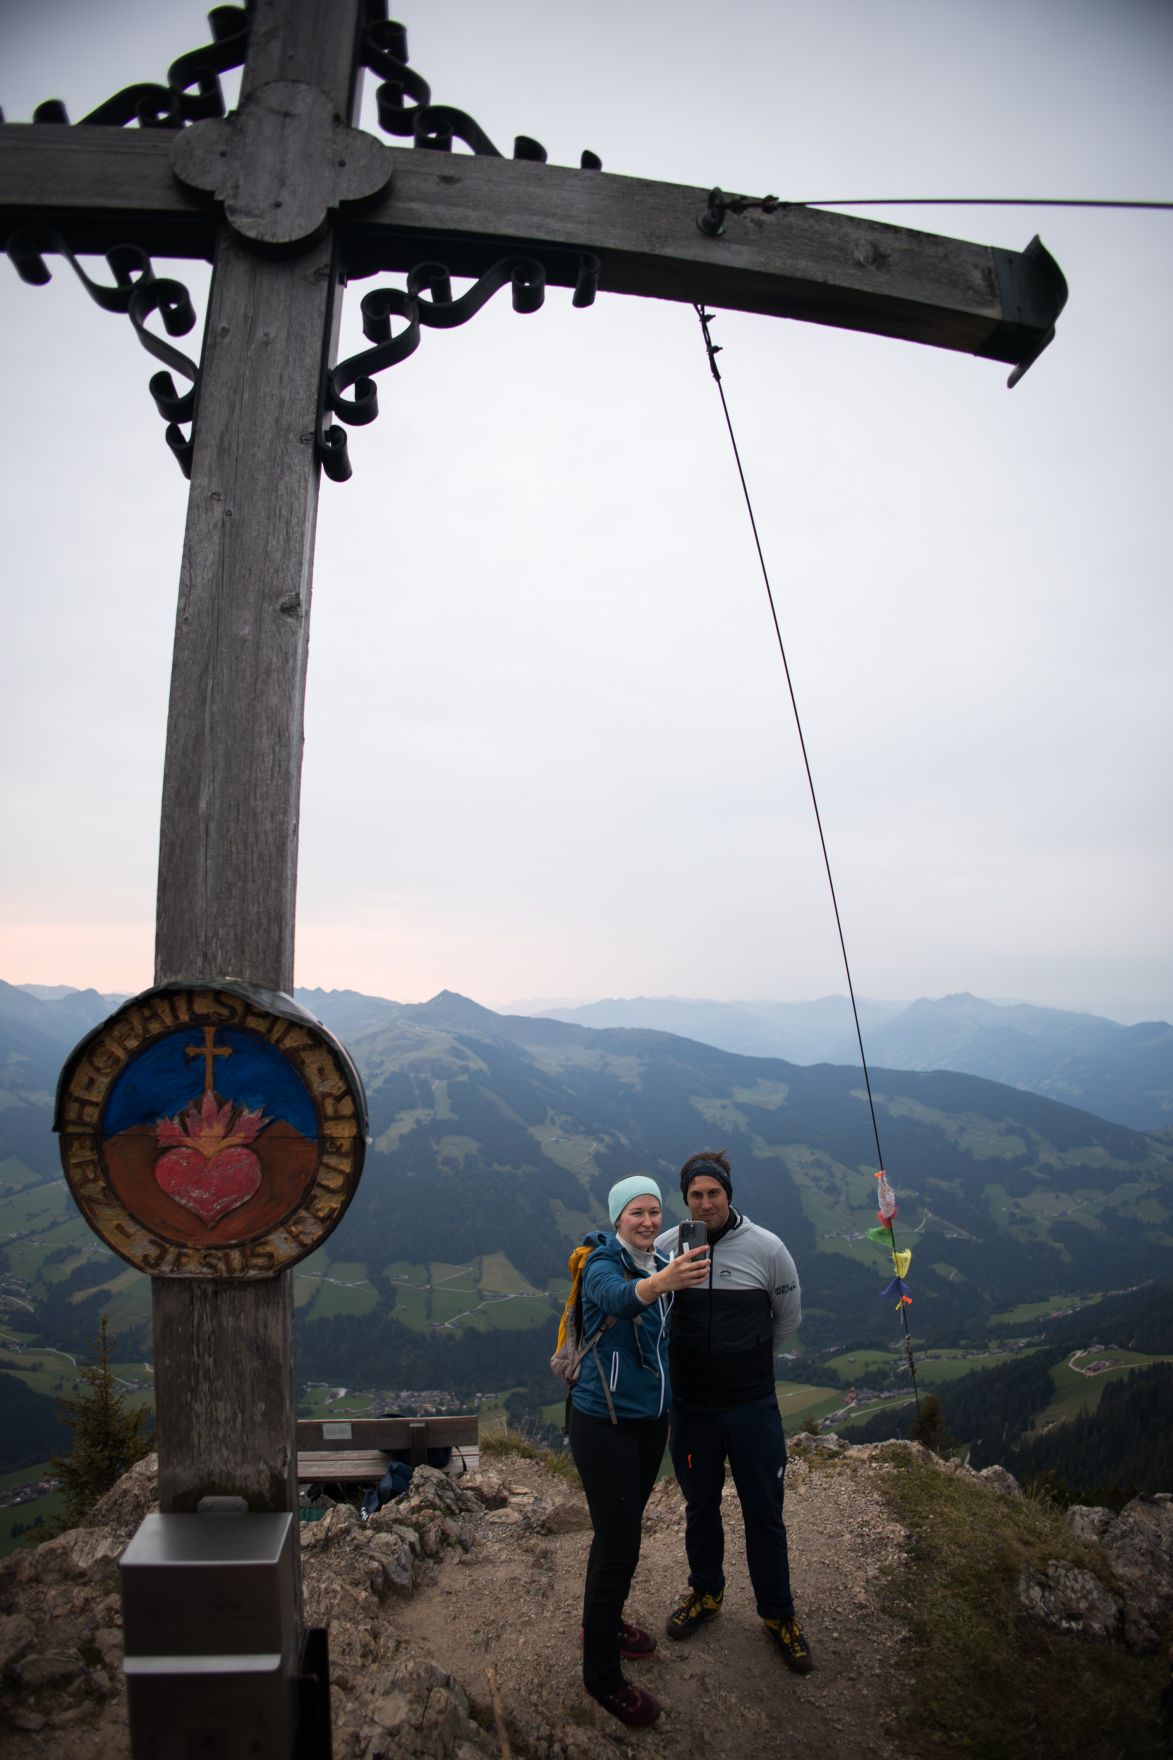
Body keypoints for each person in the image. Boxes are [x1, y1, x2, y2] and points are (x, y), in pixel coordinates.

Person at [655, 1149, 813, 1674]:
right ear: (685, 1200)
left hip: (750, 1406)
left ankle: (778, 1613)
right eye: (695, 1196)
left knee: (764, 1512)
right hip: (693, 1409)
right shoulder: (665, 1248)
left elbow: (786, 1320)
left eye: (713, 1194)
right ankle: (706, 1592)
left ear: (729, 1194)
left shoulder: (768, 1249)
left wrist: (745, 1364)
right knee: (700, 1508)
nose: (705, 1205)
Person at [569, 1174, 710, 1727]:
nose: (649, 1221)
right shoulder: (600, 1263)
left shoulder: (657, 1261)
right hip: (602, 1425)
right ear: (617, 1220)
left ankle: (601, 1623)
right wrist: (663, 1282)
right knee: (621, 1544)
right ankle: (600, 1676)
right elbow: (616, 1300)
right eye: (637, 1213)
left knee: (616, 1535)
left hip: (649, 1422)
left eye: (654, 1212)